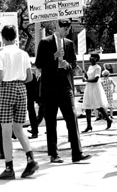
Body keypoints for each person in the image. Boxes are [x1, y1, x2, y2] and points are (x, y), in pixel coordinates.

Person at [35, 19, 90, 163]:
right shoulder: (45, 42)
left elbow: (73, 63)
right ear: (56, 27)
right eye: (64, 29)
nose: (66, 31)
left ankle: (77, 153)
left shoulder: (69, 43)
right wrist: (53, 56)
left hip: (65, 86)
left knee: (72, 119)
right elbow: (39, 64)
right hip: (50, 87)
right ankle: (54, 154)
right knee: (51, 121)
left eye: (68, 29)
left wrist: (68, 65)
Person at [0, 25, 39, 180]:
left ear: (3, 37)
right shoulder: (23, 53)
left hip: (7, 89)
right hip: (21, 89)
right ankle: (30, 158)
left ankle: (9, 167)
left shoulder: (0, 55)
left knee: (5, 131)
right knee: (18, 128)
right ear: (16, 37)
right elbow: (30, 77)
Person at [82, 53, 113, 132]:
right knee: (87, 106)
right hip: (89, 87)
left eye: (92, 57)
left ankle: (108, 119)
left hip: (95, 87)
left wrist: (86, 80)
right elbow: (88, 77)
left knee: (98, 105)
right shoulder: (89, 67)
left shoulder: (98, 67)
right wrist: (85, 74)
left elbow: (96, 79)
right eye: (90, 57)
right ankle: (89, 125)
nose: (90, 58)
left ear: (96, 59)